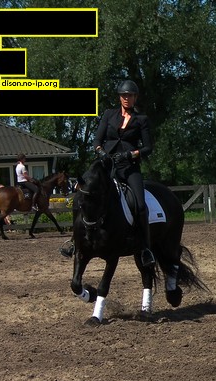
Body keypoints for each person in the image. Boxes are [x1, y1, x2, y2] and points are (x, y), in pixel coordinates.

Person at [93, 79, 155, 267]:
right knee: (86, 193)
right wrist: (102, 153)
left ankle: (145, 248)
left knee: (141, 205)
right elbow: (97, 141)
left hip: (129, 167)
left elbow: (148, 147)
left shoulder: (141, 119)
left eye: (130, 95)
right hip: (107, 165)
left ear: (135, 97)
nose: (127, 98)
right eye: (124, 95)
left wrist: (131, 154)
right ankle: (75, 241)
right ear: (119, 98)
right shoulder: (108, 115)